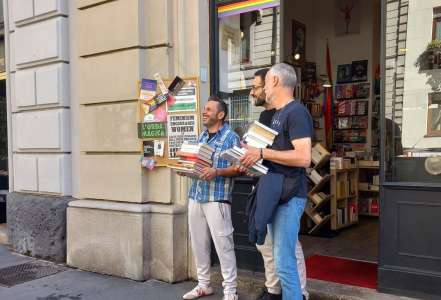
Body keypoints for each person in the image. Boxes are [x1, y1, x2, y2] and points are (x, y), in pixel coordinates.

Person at [241, 63, 313, 300]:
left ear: (274, 81)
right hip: (275, 192)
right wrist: (255, 163)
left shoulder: (296, 112)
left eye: (265, 81)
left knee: (284, 261)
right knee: (280, 258)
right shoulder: (276, 115)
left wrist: (262, 154)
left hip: (290, 196)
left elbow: (304, 158)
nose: (259, 90)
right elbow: (278, 159)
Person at [181, 96, 242, 300]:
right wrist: (185, 168)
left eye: (209, 109)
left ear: (221, 114)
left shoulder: (230, 138)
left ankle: (230, 291)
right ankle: (204, 285)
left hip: (217, 198)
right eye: (204, 109)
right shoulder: (201, 136)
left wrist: (216, 171)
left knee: (224, 246)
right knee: (199, 244)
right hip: (196, 195)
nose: (204, 112)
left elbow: (239, 168)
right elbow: (197, 165)